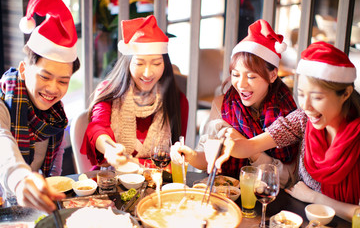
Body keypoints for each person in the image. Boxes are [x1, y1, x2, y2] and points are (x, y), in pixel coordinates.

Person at [216, 41, 360, 221]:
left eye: (316, 97)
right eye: (301, 94)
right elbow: (250, 146)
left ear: (345, 94)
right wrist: (227, 144)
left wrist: (315, 198)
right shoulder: (302, 119)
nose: (306, 106)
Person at [171, 19, 298, 187]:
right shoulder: (223, 104)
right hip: (228, 193)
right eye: (236, 75)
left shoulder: (288, 113)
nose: (241, 84)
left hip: (270, 198)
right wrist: (189, 155)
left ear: (273, 75)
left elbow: (287, 178)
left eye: (252, 76)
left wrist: (249, 149)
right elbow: (208, 157)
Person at [0, 0, 80, 213]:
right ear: (24, 70)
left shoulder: (56, 115)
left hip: (31, 208)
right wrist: (20, 178)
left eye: (63, 81)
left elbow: (56, 160)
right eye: (45, 77)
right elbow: (1, 140)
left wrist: (50, 188)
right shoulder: (3, 101)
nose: (53, 88)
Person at [81, 15, 188, 169]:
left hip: (157, 181)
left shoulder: (177, 99)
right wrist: (110, 150)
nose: (147, 73)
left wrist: (136, 164)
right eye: (139, 63)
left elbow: (176, 157)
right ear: (128, 62)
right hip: (112, 176)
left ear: (165, 64)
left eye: (156, 63)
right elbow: (97, 127)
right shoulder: (109, 90)